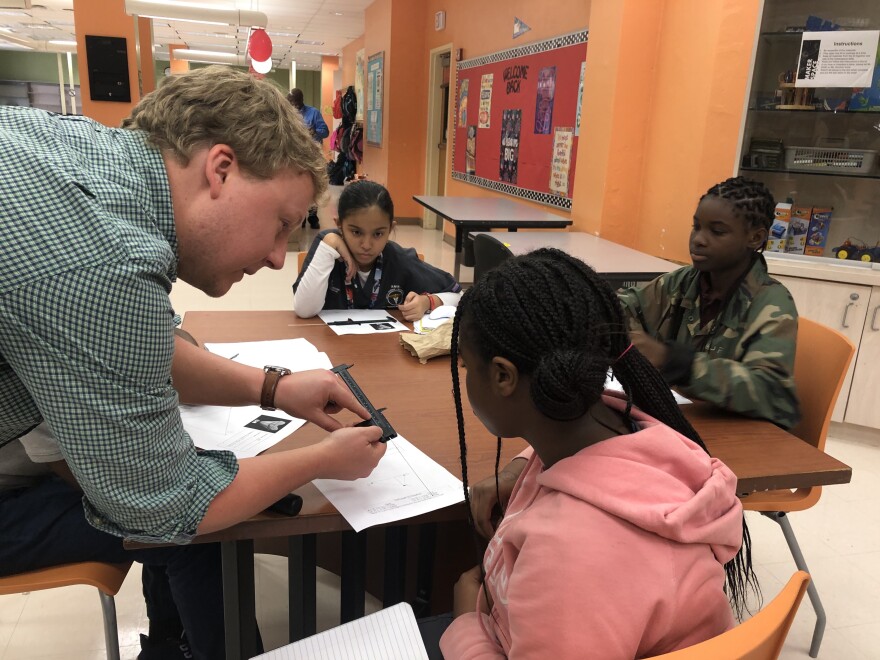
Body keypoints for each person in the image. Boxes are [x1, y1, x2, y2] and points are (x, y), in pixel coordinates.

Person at [0, 66, 387, 660]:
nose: (278, 259)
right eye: (281, 225)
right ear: (222, 169)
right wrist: (320, 460)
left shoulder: (89, 158)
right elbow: (168, 500)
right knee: (198, 522)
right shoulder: (106, 258)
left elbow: (143, 342)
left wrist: (275, 389)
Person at [432, 249, 755, 659]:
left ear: (502, 376)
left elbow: (572, 569)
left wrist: (465, 623)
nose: (465, 376)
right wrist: (523, 465)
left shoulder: (571, 557)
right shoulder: (633, 426)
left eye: (465, 366)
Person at [617, 176, 800, 429]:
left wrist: (676, 361)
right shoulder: (682, 282)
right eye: (696, 227)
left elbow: (770, 392)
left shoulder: (771, 302)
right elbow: (621, 306)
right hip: (685, 427)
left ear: (755, 238)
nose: (699, 239)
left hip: (742, 438)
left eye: (717, 231)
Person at [293, 180, 462, 321]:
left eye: (378, 234)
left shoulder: (400, 259)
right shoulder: (326, 248)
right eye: (356, 232)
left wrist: (428, 302)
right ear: (339, 225)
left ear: (390, 229)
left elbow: (458, 294)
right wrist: (329, 243)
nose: (366, 244)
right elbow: (304, 310)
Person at [287, 88, 329, 229]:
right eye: (291, 103)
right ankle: (301, 215)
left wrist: (315, 131)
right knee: (297, 187)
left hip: (312, 155)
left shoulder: (313, 113)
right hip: (295, 156)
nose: (294, 106)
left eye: (296, 102)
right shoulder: (288, 114)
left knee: (312, 184)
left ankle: (312, 216)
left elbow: (325, 132)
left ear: (301, 100)